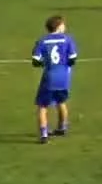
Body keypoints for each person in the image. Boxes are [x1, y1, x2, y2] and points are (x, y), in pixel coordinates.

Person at [30, 15, 77, 143]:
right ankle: (62, 127)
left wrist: (46, 64)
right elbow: (73, 59)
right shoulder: (68, 40)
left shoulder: (42, 41)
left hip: (49, 76)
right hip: (64, 77)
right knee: (61, 102)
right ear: (59, 26)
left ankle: (44, 134)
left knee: (42, 105)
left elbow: (35, 61)